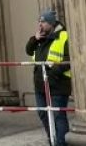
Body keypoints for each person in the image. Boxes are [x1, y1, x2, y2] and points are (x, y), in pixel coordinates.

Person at [26, 10, 70, 146]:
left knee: (58, 115)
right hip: (40, 84)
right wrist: (35, 39)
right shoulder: (40, 37)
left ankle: (60, 142)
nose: (40, 25)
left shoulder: (63, 36)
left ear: (51, 23)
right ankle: (52, 139)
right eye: (39, 21)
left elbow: (68, 59)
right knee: (43, 113)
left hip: (58, 83)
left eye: (43, 22)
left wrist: (53, 71)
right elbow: (28, 50)